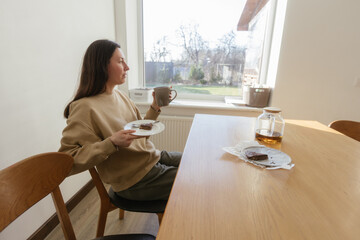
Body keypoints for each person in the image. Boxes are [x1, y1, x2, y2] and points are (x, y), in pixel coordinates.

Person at [59, 39, 181, 201]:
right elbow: (67, 161)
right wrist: (111, 143)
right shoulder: (84, 108)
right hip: (136, 181)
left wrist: (155, 107)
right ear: (102, 66)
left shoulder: (120, 95)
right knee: (197, 179)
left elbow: (140, 133)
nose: (127, 67)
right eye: (121, 61)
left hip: (150, 158)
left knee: (194, 162)